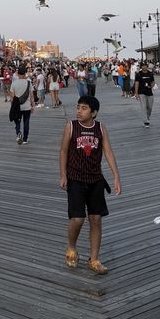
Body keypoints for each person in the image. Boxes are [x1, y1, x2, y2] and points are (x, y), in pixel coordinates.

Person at [59, 95, 122, 275]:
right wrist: (63, 174)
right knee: (77, 219)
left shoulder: (100, 128)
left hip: (96, 179)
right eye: (78, 107)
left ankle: (94, 259)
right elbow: (63, 151)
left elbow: (108, 152)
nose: (79, 111)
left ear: (94, 113)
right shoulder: (71, 127)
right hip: (76, 179)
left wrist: (116, 176)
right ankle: (71, 247)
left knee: (96, 219)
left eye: (84, 108)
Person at [10, 63, 34, 145]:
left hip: (17, 107)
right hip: (27, 106)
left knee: (17, 122)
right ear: (25, 74)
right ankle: (25, 139)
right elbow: (31, 96)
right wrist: (33, 105)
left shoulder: (14, 83)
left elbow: (12, 97)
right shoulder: (28, 83)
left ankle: (18, 133)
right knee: (26, 122)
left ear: (18, 74)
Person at [133, 59, 156, 127]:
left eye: (145, 66)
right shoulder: (138, 74)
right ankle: (146, 121)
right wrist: (136, 93)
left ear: (147, 66)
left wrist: (151, 86)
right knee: (143, 107)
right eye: (142, 66)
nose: (144, 67)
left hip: (149, 92)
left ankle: (147, 117)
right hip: (141, 92)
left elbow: (153, 82)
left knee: (149, 107)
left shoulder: (150, 73)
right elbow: (136, 83)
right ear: (141, 67)